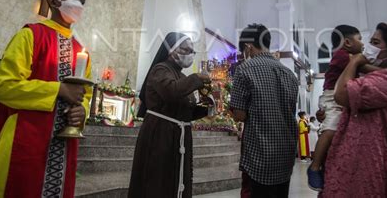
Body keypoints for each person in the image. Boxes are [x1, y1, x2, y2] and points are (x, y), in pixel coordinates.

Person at [0, 0, 93, 197]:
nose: (78, 4)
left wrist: (83, 111)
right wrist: (58, 90)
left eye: (82, 0)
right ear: (53, 1)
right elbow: (4, 86)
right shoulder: (31, 35)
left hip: (61, 146)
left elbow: (85, 95)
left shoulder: (82, 50)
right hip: (24, 140)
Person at [321, 23, 387, 197]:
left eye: (375, 42)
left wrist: (357, 60)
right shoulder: (381, 76)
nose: (367, 46)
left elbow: (342, 94)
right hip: (359, 166)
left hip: (371, 170)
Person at [128, 33, 213, 198]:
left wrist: (206, 106)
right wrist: (196, 78)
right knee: (157, 181)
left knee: (176, 180)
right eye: (186, 49)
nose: (190, 54)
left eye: (192, 51)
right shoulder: (160, 69)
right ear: (172, 50)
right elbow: (171, 92)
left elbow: (186, 110)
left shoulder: (182, 77)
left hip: (178, 135)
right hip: (160, 135)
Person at [230, 24, 299, 198]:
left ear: (247, 47)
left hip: (259, 154)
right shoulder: (290, 74)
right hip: (286, 153)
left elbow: (239, 115)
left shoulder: (245, 69)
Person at [307, 25, 364, 190]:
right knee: (330, 128)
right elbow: (364, 67)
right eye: (359, 39)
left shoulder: (349, 56)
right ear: (347, 42)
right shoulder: (343, 55)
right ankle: (314, 166)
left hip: (337, 96)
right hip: (332, 97)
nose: (363, 43)